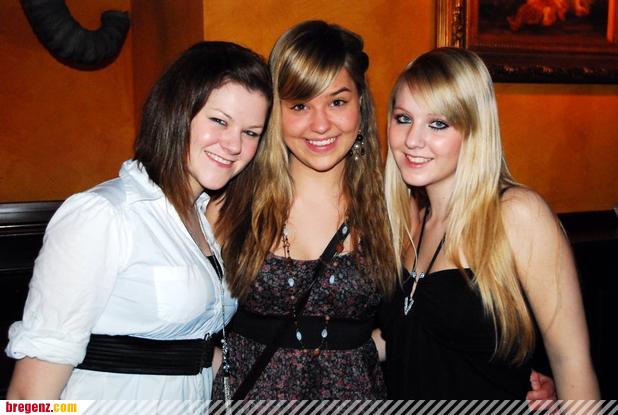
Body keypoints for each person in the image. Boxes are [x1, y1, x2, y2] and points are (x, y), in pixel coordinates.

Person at [5, 41, 272, 401]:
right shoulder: (104, 214)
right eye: (219, 121)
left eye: (250, 132)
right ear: (177, 113)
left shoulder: (199, 217)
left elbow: (186, 350)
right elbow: (29, 397)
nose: (234, 144)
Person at [379, 47, 599, 399]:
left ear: (474, 130)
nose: (412, 140)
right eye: (404, 118)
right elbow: (405, 334)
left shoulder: (516, 214)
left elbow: (570, 360)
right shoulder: (404, 217)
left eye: (438, 124)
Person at [210, 20, 397, 399]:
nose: (320, 124)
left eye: (337, 102)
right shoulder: (231, 203)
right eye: (300, 105)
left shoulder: (393, 208)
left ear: (360, 103)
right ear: (275, 112)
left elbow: (426, 326)